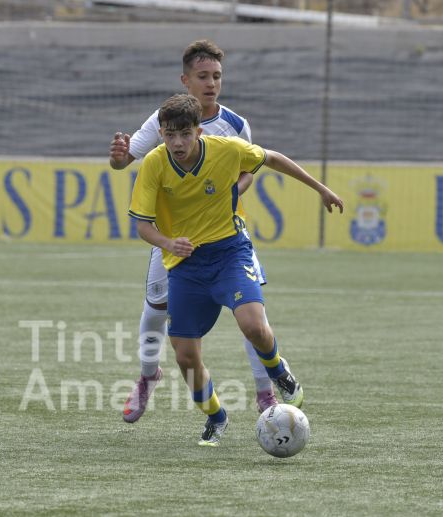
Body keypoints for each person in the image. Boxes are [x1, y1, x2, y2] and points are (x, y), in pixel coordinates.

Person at [129, 93, 343, 446]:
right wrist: (168, 243)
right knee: (185, 357)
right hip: (184, 265)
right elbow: (142, 225)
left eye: (184, 134)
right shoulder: (154, 163)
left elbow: (272, 158)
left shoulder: (226, 148)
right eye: (169, 135)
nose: (177, 143)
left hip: (230, 252)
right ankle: (216, 416)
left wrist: (321, 189)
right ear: (162, 134)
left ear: (198, 130)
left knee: (254, 326)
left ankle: (278, 372)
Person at [109, 39, 279, 422]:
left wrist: (228, 191)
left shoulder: (235, 125)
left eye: (217, 76)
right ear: (186, 80)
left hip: (226, 236)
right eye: (203, 76)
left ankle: (265, 391)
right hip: (175, 238)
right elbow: (127, 158)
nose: (211, 83)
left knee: (249, 315)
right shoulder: (164, 119)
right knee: (156, 308)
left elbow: (249, 168)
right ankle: (148, 375)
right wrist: (118, 159)